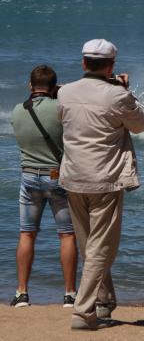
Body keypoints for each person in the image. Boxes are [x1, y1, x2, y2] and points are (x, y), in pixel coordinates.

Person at [58, 38, 144, 331]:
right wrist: (124, 89)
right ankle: (84, 312)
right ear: (111, 65)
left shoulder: (65, 93)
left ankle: (103, 302)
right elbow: (141, 123)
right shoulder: (117, 95)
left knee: (90, 247)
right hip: (105, 180)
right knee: (102, 249)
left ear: (84, 63)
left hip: (73, 177)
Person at [10, 65, 78, 308]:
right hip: (57, 176)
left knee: (27, 233)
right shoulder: (61, 108)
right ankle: (70, 294)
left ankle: (21, 293)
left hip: (28, 177)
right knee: (67, 234)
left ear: (30, 86)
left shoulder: (18, 110)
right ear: (54, 86)